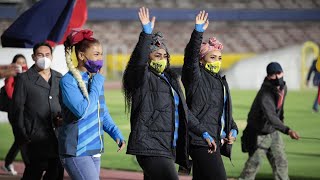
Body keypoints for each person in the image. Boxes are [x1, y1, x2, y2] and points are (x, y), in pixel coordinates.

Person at [122, 7, 213, 180]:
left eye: (165, 55)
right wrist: (146, 34)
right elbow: (137, 63)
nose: (162, 59)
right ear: (149, 58)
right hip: (150, 147)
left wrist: (203, 132)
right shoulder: (143, 78)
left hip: (166, 148)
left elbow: (184, 111)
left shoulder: (171, 81)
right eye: (157, 55)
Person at [58, 29, 126, 180]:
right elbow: (82, 111)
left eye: (101, 54)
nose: (100, 58)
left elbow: (101, 110)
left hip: (94, 148)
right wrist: (97, 83)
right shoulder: (68, 81)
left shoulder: (94, 80)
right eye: (96, 54)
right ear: (81, 56)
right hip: (76, 150)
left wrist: (115, 132)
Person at [181, 10, 238, 180]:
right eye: (212, 57)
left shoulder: (220, 81)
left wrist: (233, 129)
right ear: (201, 60)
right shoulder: (195, 76)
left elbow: (221, 111)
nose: (217, 61)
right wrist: (198, 31)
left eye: (219, 58)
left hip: (214, 141)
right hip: (200, 141)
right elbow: (190, 57)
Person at [239, 62, 300, 180]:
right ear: (267, 76)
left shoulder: (283, 88)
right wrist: (287, 130)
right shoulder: (265, 94)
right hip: (259, 133)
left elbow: (280, 110)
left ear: (283, 73)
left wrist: (281, 123)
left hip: (273, 132)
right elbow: (271, 116)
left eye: (279, 73)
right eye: (273, 75)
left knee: (281, 163)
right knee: (252, 167)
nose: (277, 77)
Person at [12, 42, 64, 180]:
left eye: (47, 55)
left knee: (56, 173)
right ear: (33, 57)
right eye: (40, 55)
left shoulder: (60, 78)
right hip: (35, 139)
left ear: (52, 56)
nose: (44, 58)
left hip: (57, 137)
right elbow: (17, 110)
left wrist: (63, 119)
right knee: (33, 173)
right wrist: (23, 136)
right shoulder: (24, 79)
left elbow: (65, 106)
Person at [1, 54, 28, 175]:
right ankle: (28, 165)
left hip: (25, 113)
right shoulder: (10, 77)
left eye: (23, 62)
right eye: (18, 62)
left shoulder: (29, 76)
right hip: (14, 113)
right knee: (22, 138)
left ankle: (8, 163)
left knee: (22, 139)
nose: (20, 65)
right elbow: (11, 94)